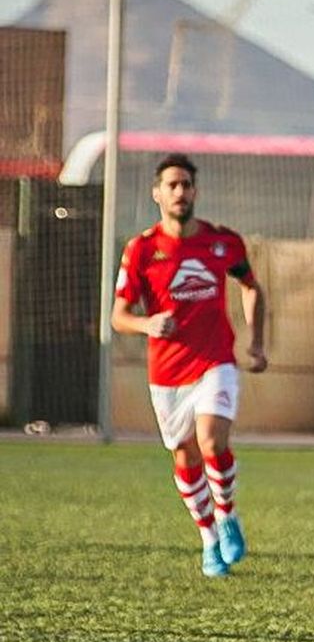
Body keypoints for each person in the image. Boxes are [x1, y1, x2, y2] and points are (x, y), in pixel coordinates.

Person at [111, 152, 268, 578]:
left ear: (196, 191)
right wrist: (148, 323)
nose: (180, 192)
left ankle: (227, 514)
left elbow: (252, 287)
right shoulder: (142, 249)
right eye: (172, 185)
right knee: (184, 455)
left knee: (212, 442)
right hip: (166, 373)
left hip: (216, 360)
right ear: (157, 193)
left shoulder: (222, 242)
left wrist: (255, 342)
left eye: (187, 184)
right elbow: (118, 316)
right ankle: (208, 540)